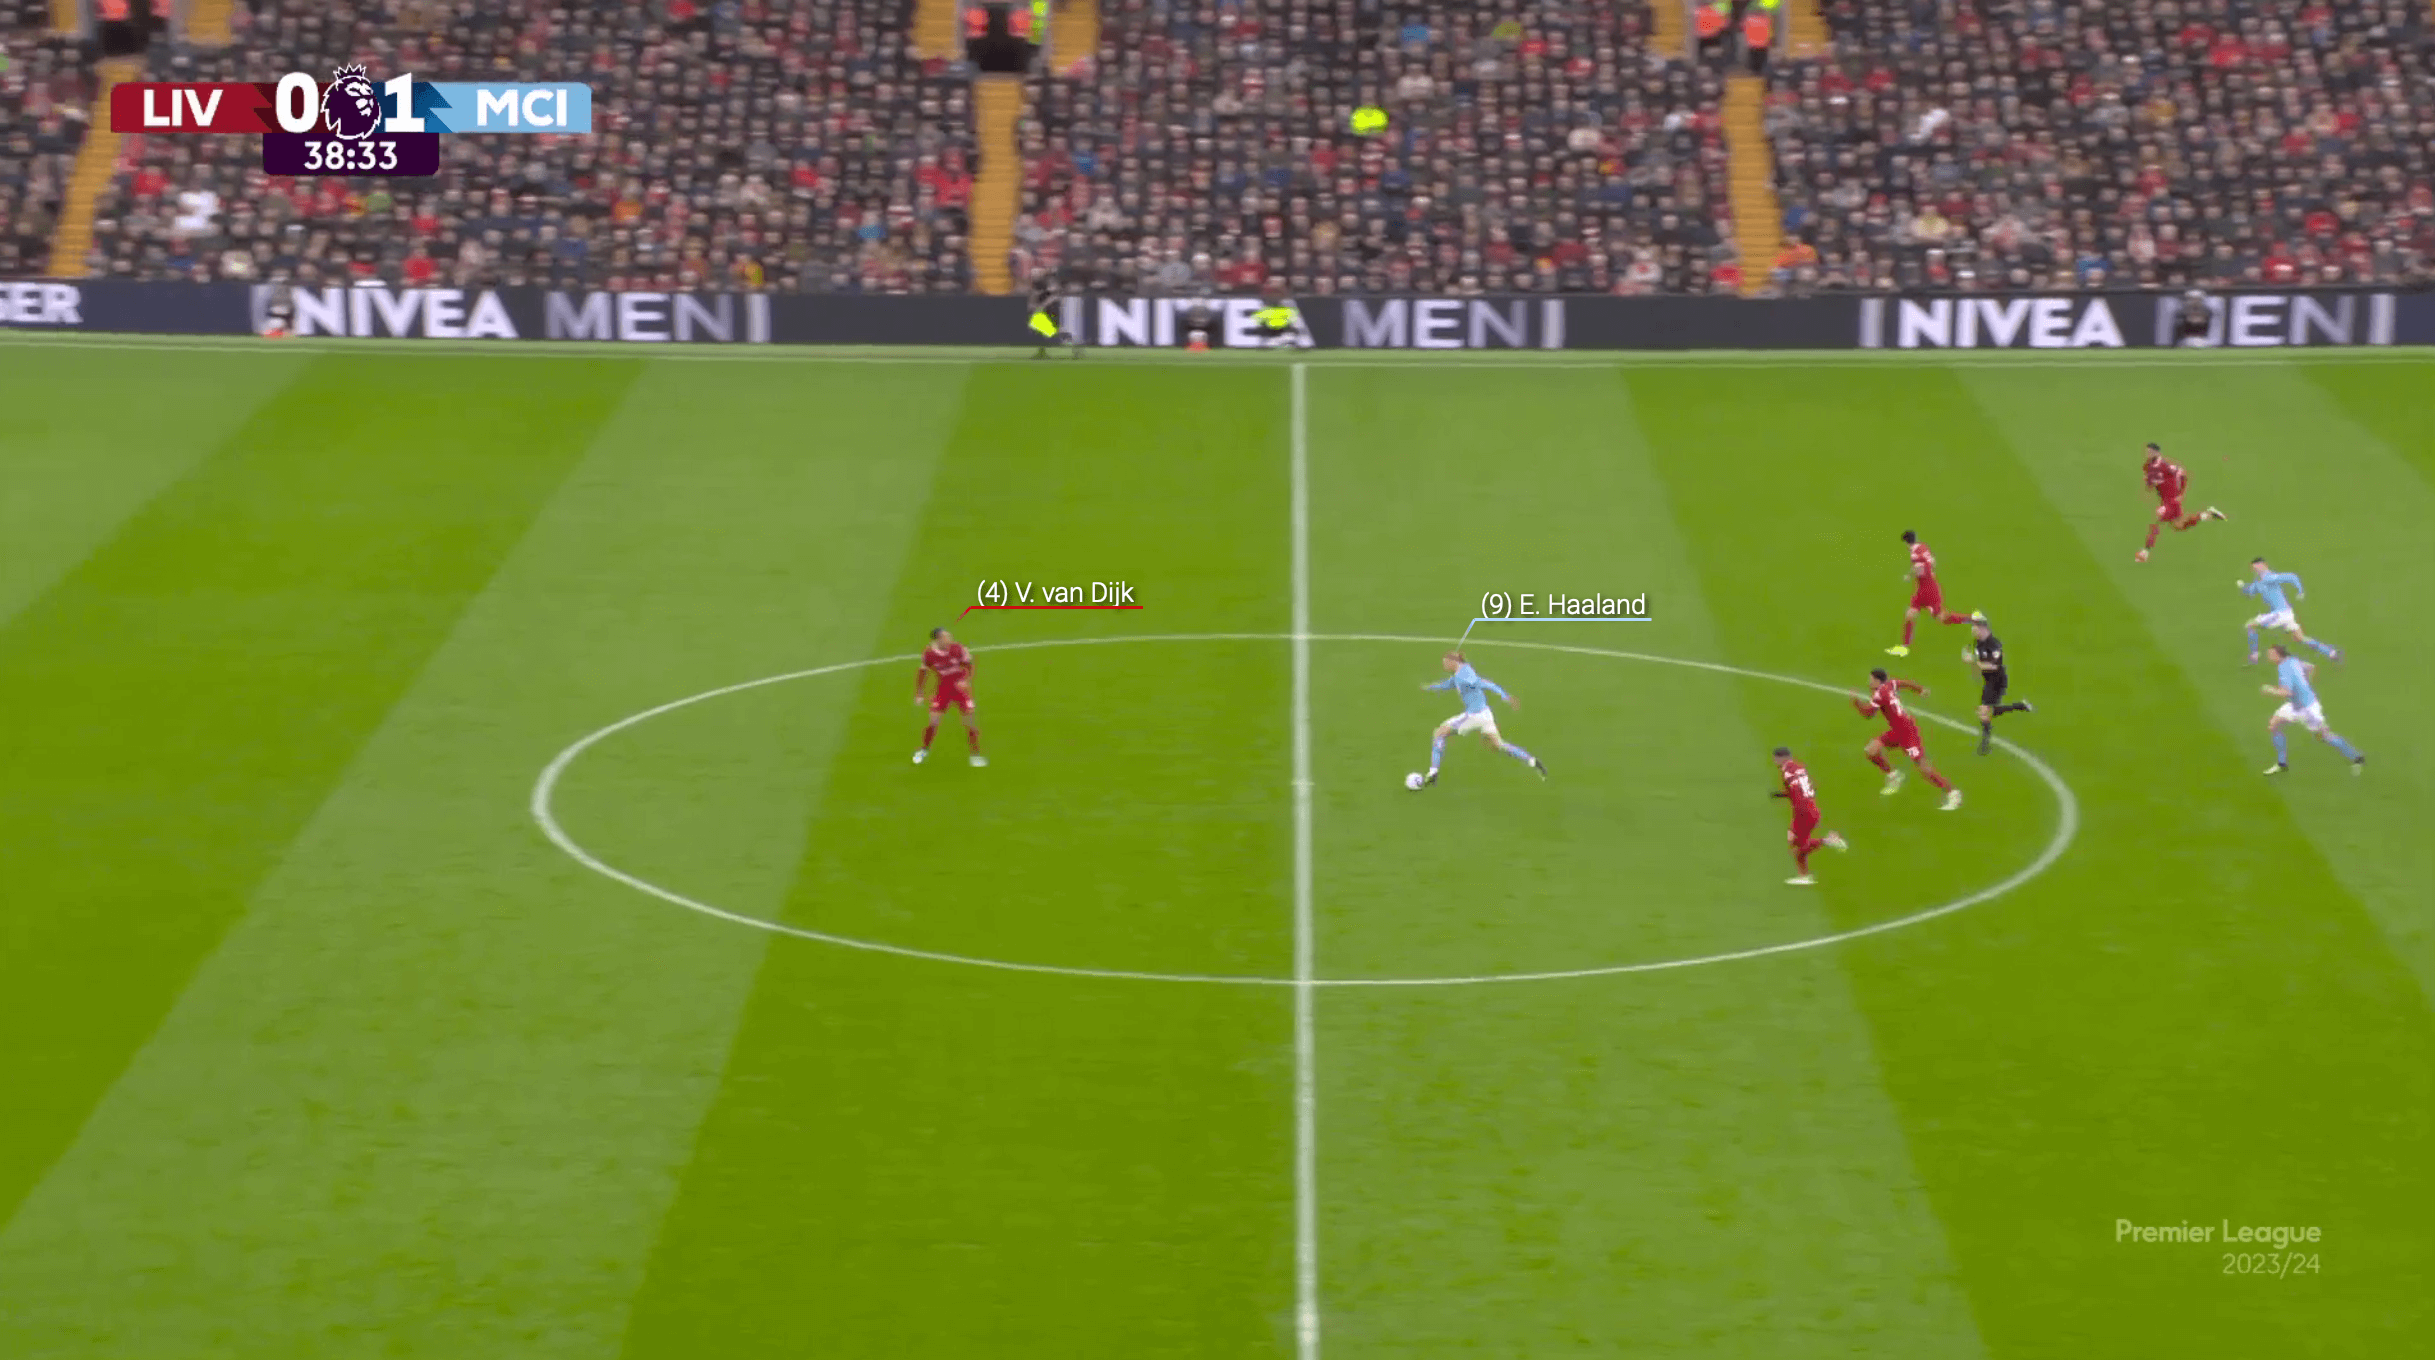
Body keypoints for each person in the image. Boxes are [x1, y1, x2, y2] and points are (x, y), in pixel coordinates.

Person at [1417, 650, 1546, 785]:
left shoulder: (1464, 675)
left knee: (1439, 733)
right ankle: (1532, 761)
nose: (1443, 665)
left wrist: (1505, 696)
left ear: (1453, 662)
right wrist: (1429, 687)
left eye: (1445, 662)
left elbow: (1483, 683)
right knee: (1498, 744)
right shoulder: (1460, 673)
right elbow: (1447, 684)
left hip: (1474, 716)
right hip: (1485, 714)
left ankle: (1433, 772)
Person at [1854, 668, 1961, 809]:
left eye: (1871, 679)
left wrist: (1856, 702)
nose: (1869, 682)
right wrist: (1921, 690)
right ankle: (1894, 776)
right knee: (1871, 751)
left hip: (1907, 733)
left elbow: (1868, 714)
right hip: (1897, 731)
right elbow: (1906, 683)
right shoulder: (1890, 684)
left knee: (1924, 767)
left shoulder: (1879, 694)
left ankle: (1953, 793)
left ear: (1877, 681)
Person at [2260, 644, 2364, 777]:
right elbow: (2311, 667)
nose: (2268, 656)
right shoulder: (2293, 660)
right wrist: (2305, 686)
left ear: (2278, 655)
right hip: (2295, 705)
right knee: (2274, 725)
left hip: (2307, 710)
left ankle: (2357, 757)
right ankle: (2282, 764)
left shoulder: (2284, 669)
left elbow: (2286, 692)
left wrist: (2269, 690)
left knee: (2324, 736)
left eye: (2270, 654)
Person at [1770, 746, 1848, 886]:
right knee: (1793, 841)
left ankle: (1826, 844)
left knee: (1798, 847)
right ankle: (1805, 873)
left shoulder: (1786, 772)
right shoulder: (1799, 768)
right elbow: (1803, 788)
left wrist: (1797, 815)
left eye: (1775, 758)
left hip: (1804, 812)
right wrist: (1781, 795)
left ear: (1779, 758)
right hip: (1811, 808)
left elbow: (1796, 793)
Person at [2239, 558, 2341, 665]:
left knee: (2250, 625)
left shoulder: (2269, 577)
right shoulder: (2258, 582)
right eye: (2254, 567)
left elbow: (2292, 577)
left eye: (2258, 566)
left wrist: (2300, 590)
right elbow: (2250, 591)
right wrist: (2243, 588)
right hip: (2286, 614)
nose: (2256, 569)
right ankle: (2331, 653)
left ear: (2265, 565)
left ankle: (2254, 656)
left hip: (2280, 614)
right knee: (2300, 638)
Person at [2135, 443, 2226, 562]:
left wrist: (2181, 493)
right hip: (2166, 500)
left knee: (2157, 521)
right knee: (2179, 525)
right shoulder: (2150, 466)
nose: (2148, 454)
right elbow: (2150, 485)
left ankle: (2145, 553)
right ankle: (2206, 515)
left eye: (2151, 451)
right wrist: (2148, 481)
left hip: (2171, 501)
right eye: (2147, 452)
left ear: (2157, 452)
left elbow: (2183, 475)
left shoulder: (2165, 465)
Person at [1887, 529, 1969, 657]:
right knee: (1910, 615)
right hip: (1923, 589)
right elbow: (1933, 562)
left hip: (1929, 591)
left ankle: (1972, 619)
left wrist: (1910, 575)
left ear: (1907, 543)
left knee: (1942, 618)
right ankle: (1904, 647)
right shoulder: (1923, 546)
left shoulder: (1914, 554)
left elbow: (1919, 569)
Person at [913, 627, 985, 766]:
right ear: (938, 639)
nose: (949, 639)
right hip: (943, 690)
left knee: (970, 722)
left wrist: (966, 680)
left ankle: (975, 755)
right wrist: (919, 693)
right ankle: (923, 750)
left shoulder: (958, 648)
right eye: (945, 637)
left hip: (960, 690)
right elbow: (922, 672)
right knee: (933, 722)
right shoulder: (929, 654)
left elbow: (969, 666)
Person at [1966, 614, 2033, 755]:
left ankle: (1985, 745)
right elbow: (1979, 664)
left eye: (1975, 627)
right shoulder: (1978, 643)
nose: (1973, 630)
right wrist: (1974, 668)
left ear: (1983, 628)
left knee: (1984, 711)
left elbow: (1994, 666)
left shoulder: (1994, 645)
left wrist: (1973, 661)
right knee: (1989, 712)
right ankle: (2020, 706)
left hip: (1998, 681)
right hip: (1988, 681)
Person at [1027, 275, 1080, 358]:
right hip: (1044, 313)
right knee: (1043, 333)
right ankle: (1042, 352)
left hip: (1051, 313)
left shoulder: (1052, 291)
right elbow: (1033, 302)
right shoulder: (1041, 291)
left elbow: (1052, 298)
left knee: (1057, 331)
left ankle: (1074, 347)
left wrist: (1040, 306)